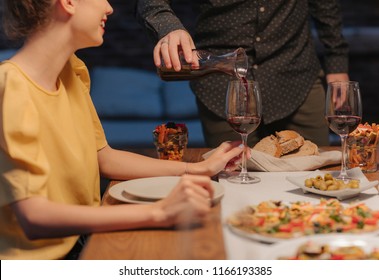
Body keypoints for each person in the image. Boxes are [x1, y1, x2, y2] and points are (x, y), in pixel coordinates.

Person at [0, 0, 245, 260]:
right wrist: (161, 212)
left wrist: (196, 169)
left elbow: (103, 157)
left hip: (83, 240)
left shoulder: (72, 70)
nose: (109, 8)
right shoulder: (11, 87)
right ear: (68, 3)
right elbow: (34, 217)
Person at [135, 0, 350, 147]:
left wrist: (337, 61)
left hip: (296, 74)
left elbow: (326, 5)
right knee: (234, 179)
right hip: (221, 84)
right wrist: (169, 27)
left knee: (313, 175)